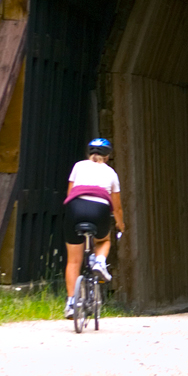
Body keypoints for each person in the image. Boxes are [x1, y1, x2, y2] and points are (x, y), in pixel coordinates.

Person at [63, 137, 126, 319]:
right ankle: (99, 261)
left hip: (75, 208)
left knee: (73, 261)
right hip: (99, 210)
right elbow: (117, 207)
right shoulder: (111, 173)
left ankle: (72, 304)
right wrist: (120, 225)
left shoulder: (78, 166)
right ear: (107, 157)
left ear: (89, 153)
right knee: (104, 240)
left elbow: (70, 193)